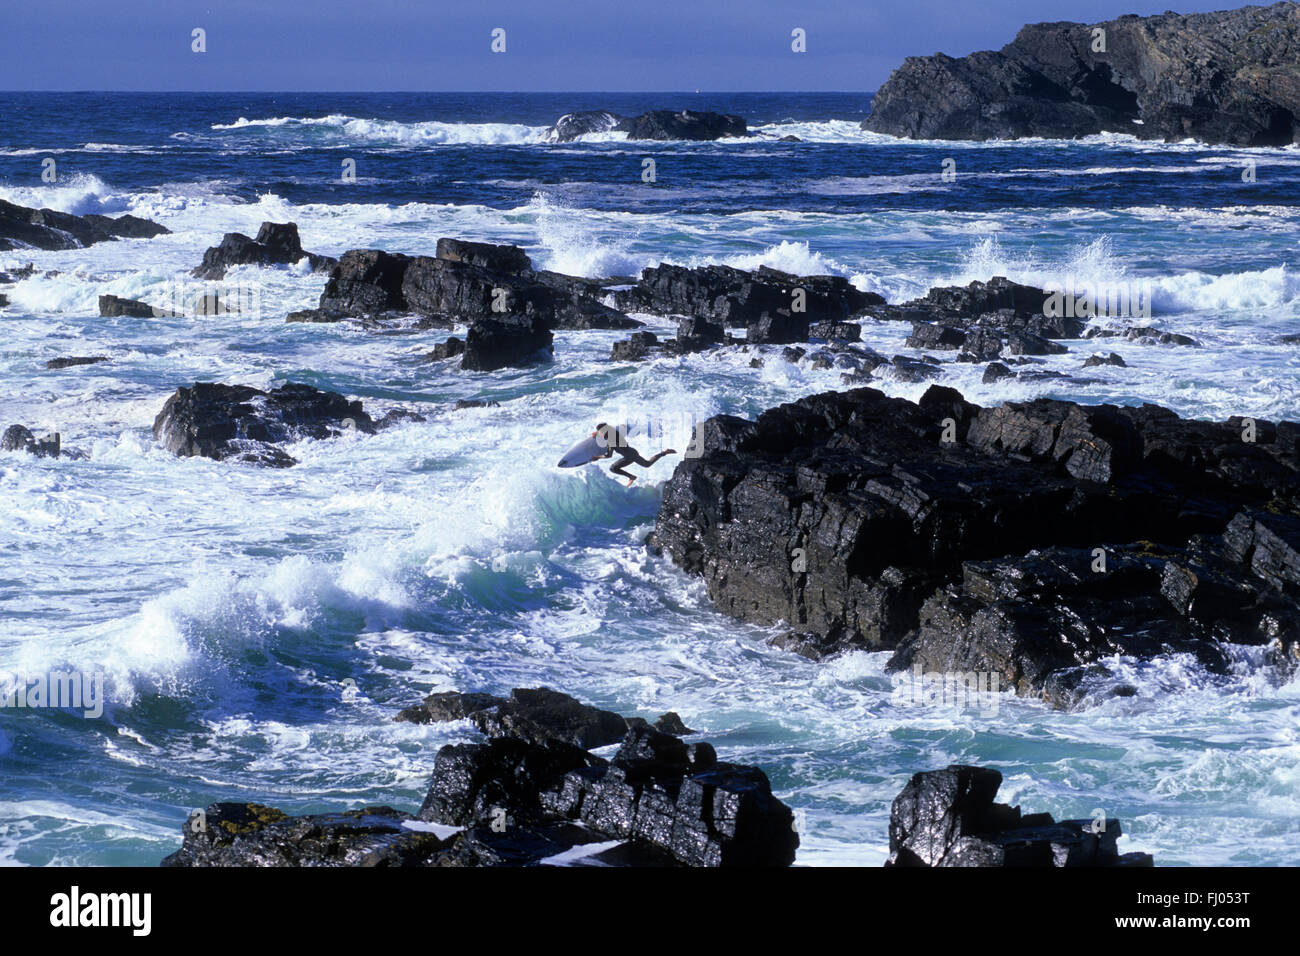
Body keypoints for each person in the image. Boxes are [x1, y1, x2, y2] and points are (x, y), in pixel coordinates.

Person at [591, 422, 676, 486]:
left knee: (613, 468)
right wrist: (598, 434)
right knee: (647, 464)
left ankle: (631, 477)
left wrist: (597, 457)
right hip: (632, 452)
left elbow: (609, 455)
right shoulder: (613, 433)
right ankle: (665, 452)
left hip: (629, 456)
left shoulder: (611, 440)